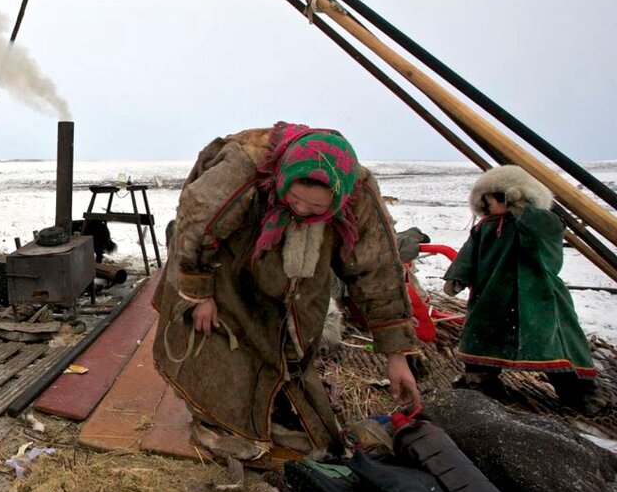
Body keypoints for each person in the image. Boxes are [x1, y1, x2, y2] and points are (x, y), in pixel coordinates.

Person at [154, 122, 421, 465]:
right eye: (295, 200)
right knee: (221, 345)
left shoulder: (357, 192)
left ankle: (274, 409)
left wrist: (395, 353)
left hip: (299, 283)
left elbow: (376, 269)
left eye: (316, 209)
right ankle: (216, 420)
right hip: (227, 264)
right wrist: (199, 293)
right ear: (282, 180)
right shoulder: (243, 167)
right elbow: (196, 223)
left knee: (290, 346)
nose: (301, 211)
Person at [442, 165, 603, 415]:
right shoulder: (484, 227)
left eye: (490, 201)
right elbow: (468, 254)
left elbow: (545, 233)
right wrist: (458, 276)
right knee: (481, 339)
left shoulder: (538, 222)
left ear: (508, 196)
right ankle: (481, 381)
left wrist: (522, 209)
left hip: (538, 298)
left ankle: (578, 394)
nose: (486, 208)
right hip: (491, 297)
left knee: (553, 344)